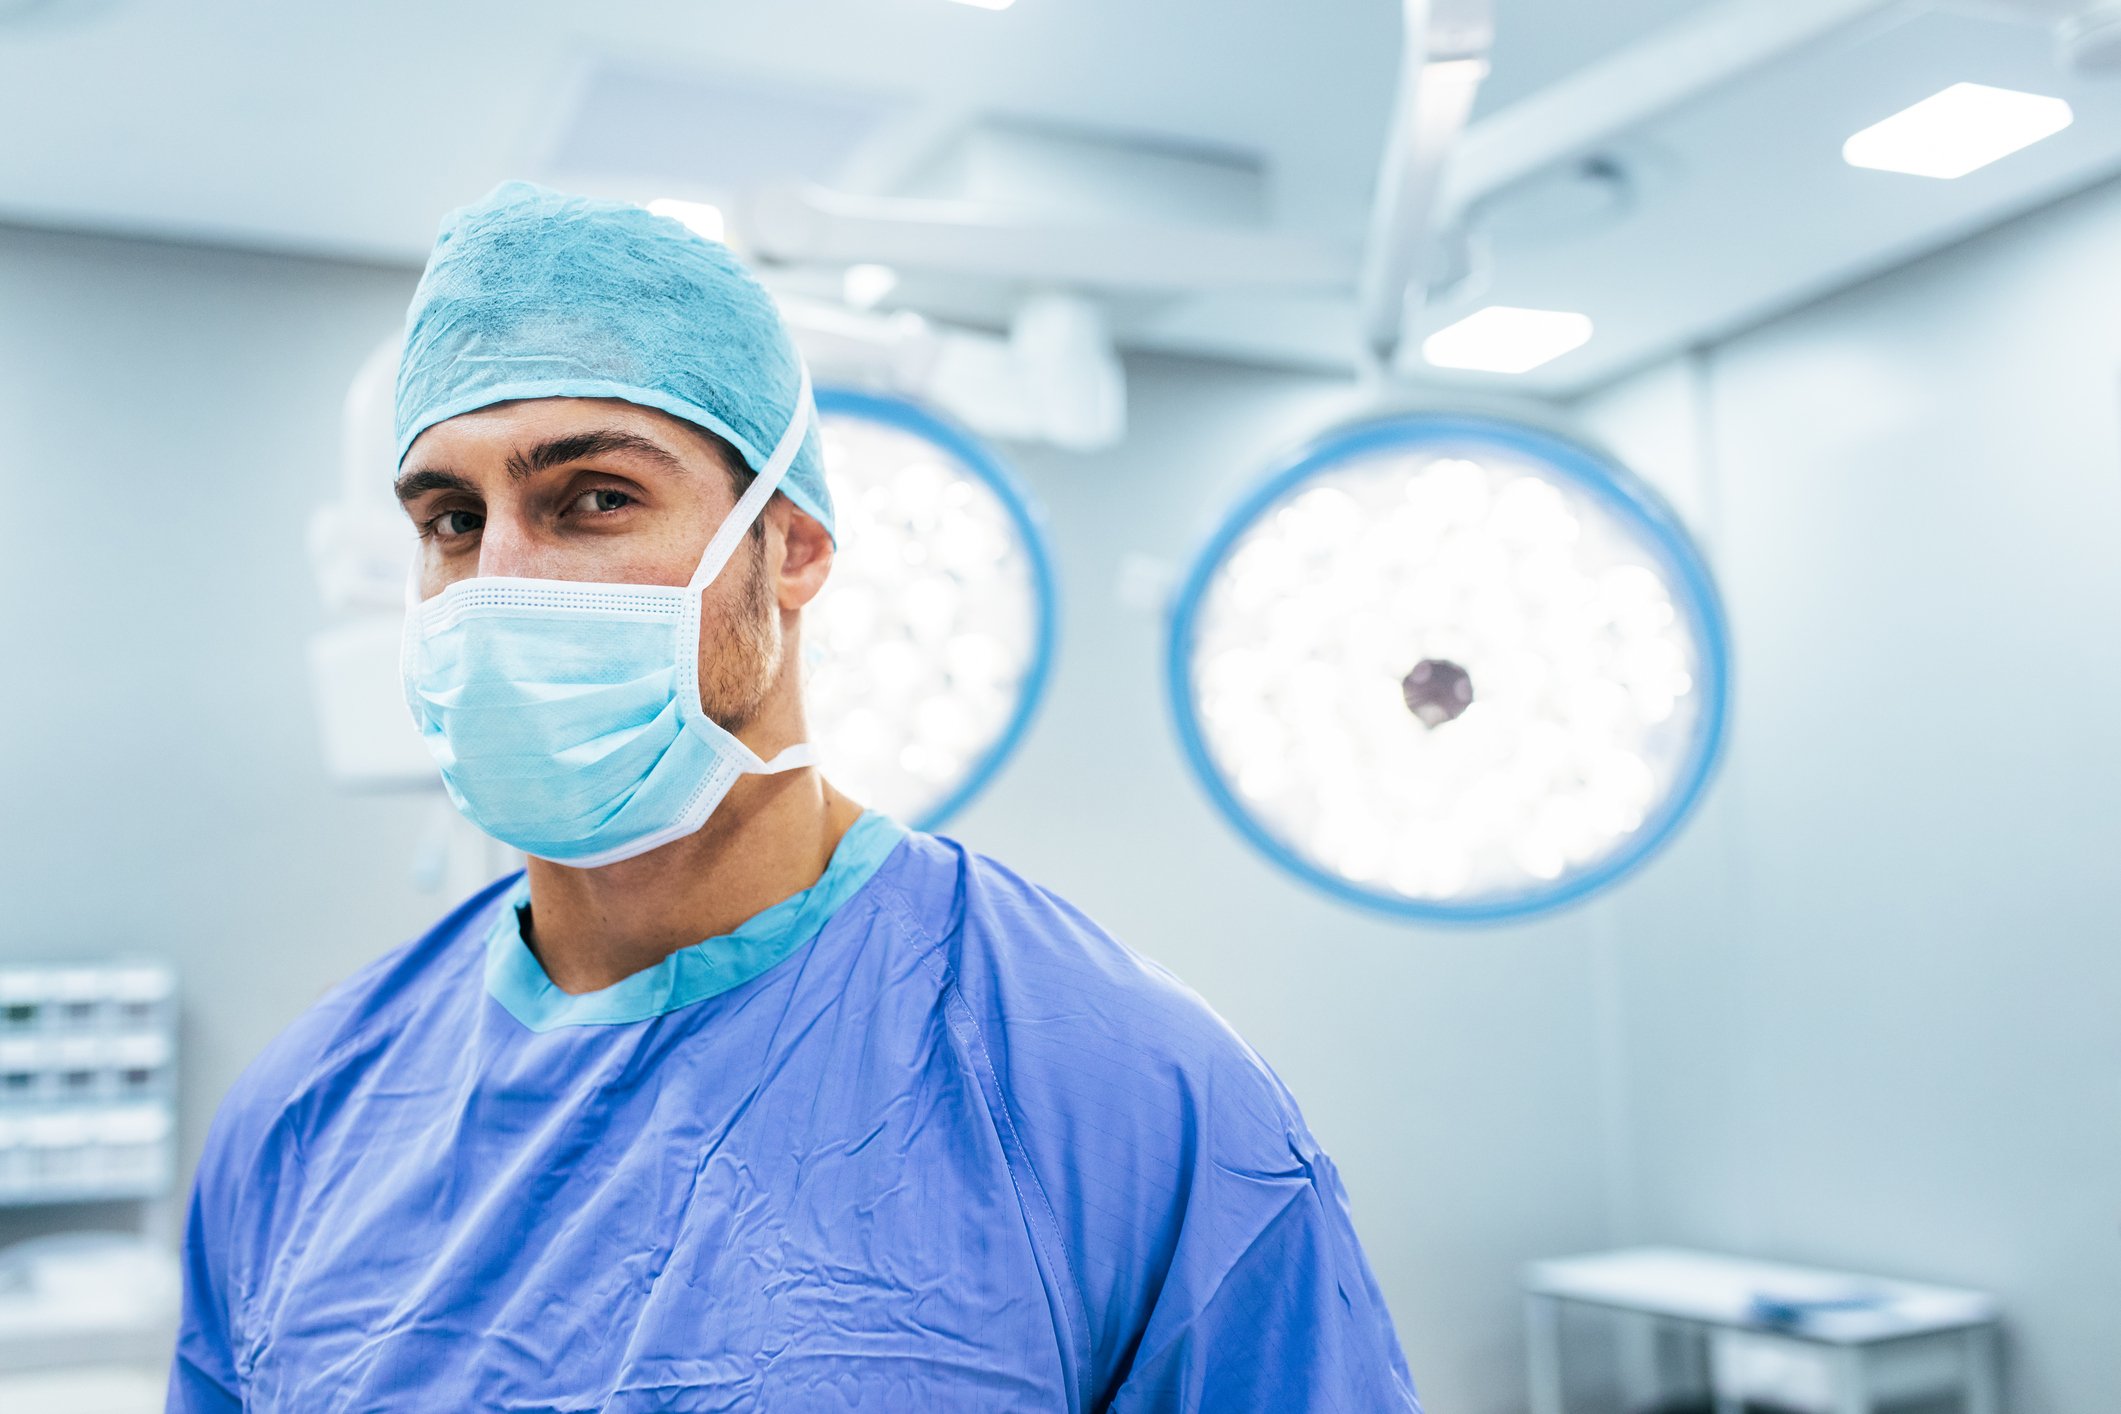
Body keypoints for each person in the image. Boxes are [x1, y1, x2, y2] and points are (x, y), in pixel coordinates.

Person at [167, 182, 1419, 1413]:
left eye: (594, 499)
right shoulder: (301, 1119)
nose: (501, 577)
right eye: (451, 518)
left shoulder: (1133, 1104)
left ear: (795, 546)